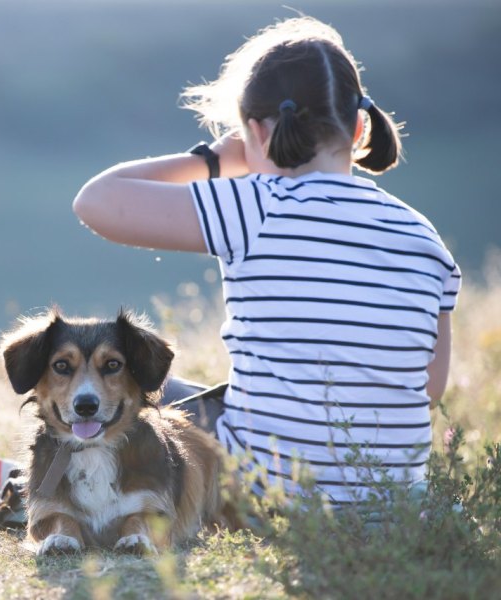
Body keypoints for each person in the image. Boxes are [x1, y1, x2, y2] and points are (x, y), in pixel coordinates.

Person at [71, 16, 460, 507]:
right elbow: (429, 389)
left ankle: (62, 491)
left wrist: (213, 160)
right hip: (396, 507)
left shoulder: (254, 204)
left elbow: (95, 201)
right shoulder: (424, 237)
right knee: (197, 395)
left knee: (127, 380)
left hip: (268, 499)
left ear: (253, 131)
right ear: (360, 127)